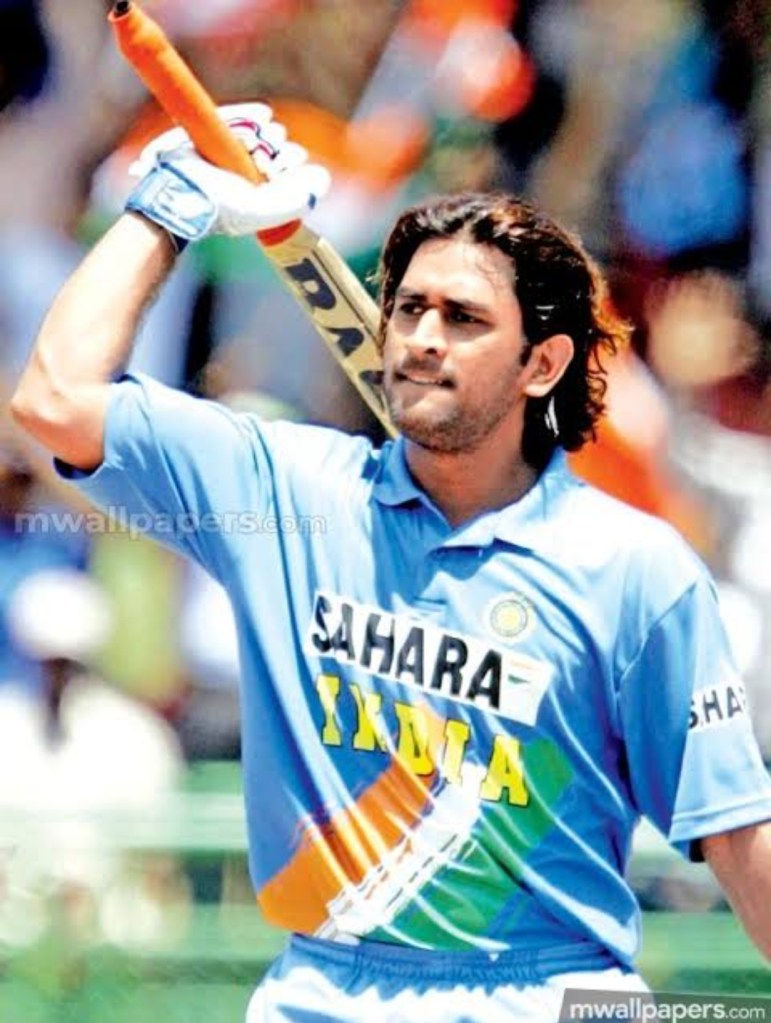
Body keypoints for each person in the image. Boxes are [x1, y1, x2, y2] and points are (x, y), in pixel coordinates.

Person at [10, 103, 771, 1022]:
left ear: (541, 363)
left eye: (463, 317)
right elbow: (55, 399)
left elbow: (736, 833)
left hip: (546, 993)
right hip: (321, 991)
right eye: (408, 308)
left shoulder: (634, 568)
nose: (422, 337)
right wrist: (165, 210)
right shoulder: (286, 494)